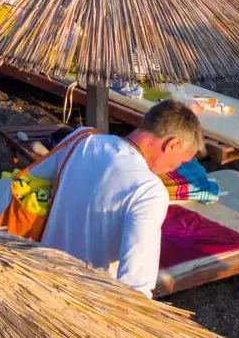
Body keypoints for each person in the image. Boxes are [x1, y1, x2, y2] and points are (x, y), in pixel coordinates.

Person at [31, 100, 205, 295]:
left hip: (36, 271)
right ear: (173, 144)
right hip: (86, 295)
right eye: (182, 161)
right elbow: (137, 283)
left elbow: (29, 183)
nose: (176, 168)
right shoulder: (149, 190)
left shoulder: (82, 139)